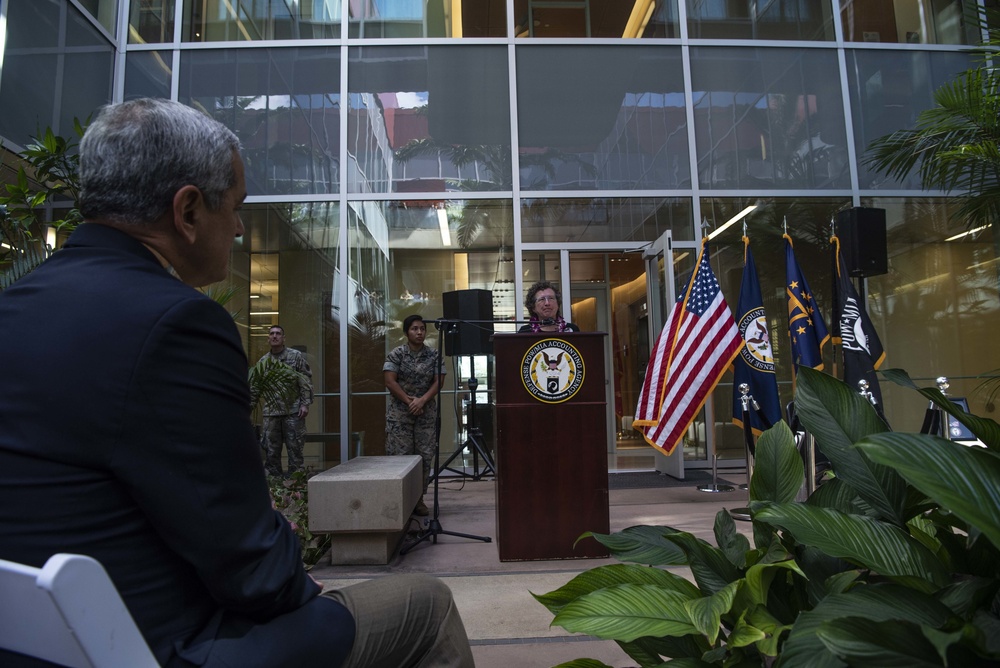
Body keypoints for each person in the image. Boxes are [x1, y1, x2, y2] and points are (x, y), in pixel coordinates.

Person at [0, 98, 473, 668]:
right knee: (426, 605)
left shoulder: (15, 307)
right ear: (189, 211)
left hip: (37, 642)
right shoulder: (177, 324)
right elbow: (249, 562)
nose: (243, 227)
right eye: (237, 207)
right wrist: (302, 593)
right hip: (167, 645)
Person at [384, 314, 444, 517]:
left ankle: (418, 500)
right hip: (401, 415)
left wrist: (422, 401)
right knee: (400, 458)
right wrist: (410, 401)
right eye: (414, 329)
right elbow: (390, 382)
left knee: (424, 458)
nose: (419, 332)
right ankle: (400, 501)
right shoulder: (396, 354)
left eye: (422, 329)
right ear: (406, 332)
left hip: (425, 414)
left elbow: (439, 382)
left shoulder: (434, 355)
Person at [258, 324, 313, 477]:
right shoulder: (263, 361)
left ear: (283, 338)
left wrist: (305, 404)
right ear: (268, 339)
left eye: (278, 333)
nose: (274, 336)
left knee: (295, 450)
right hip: (271, 413)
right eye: (271, 334)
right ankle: (275, 491)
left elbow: (305, 380)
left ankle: (296, 489)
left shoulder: (295, 356)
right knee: (271, 452)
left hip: (293, 411)